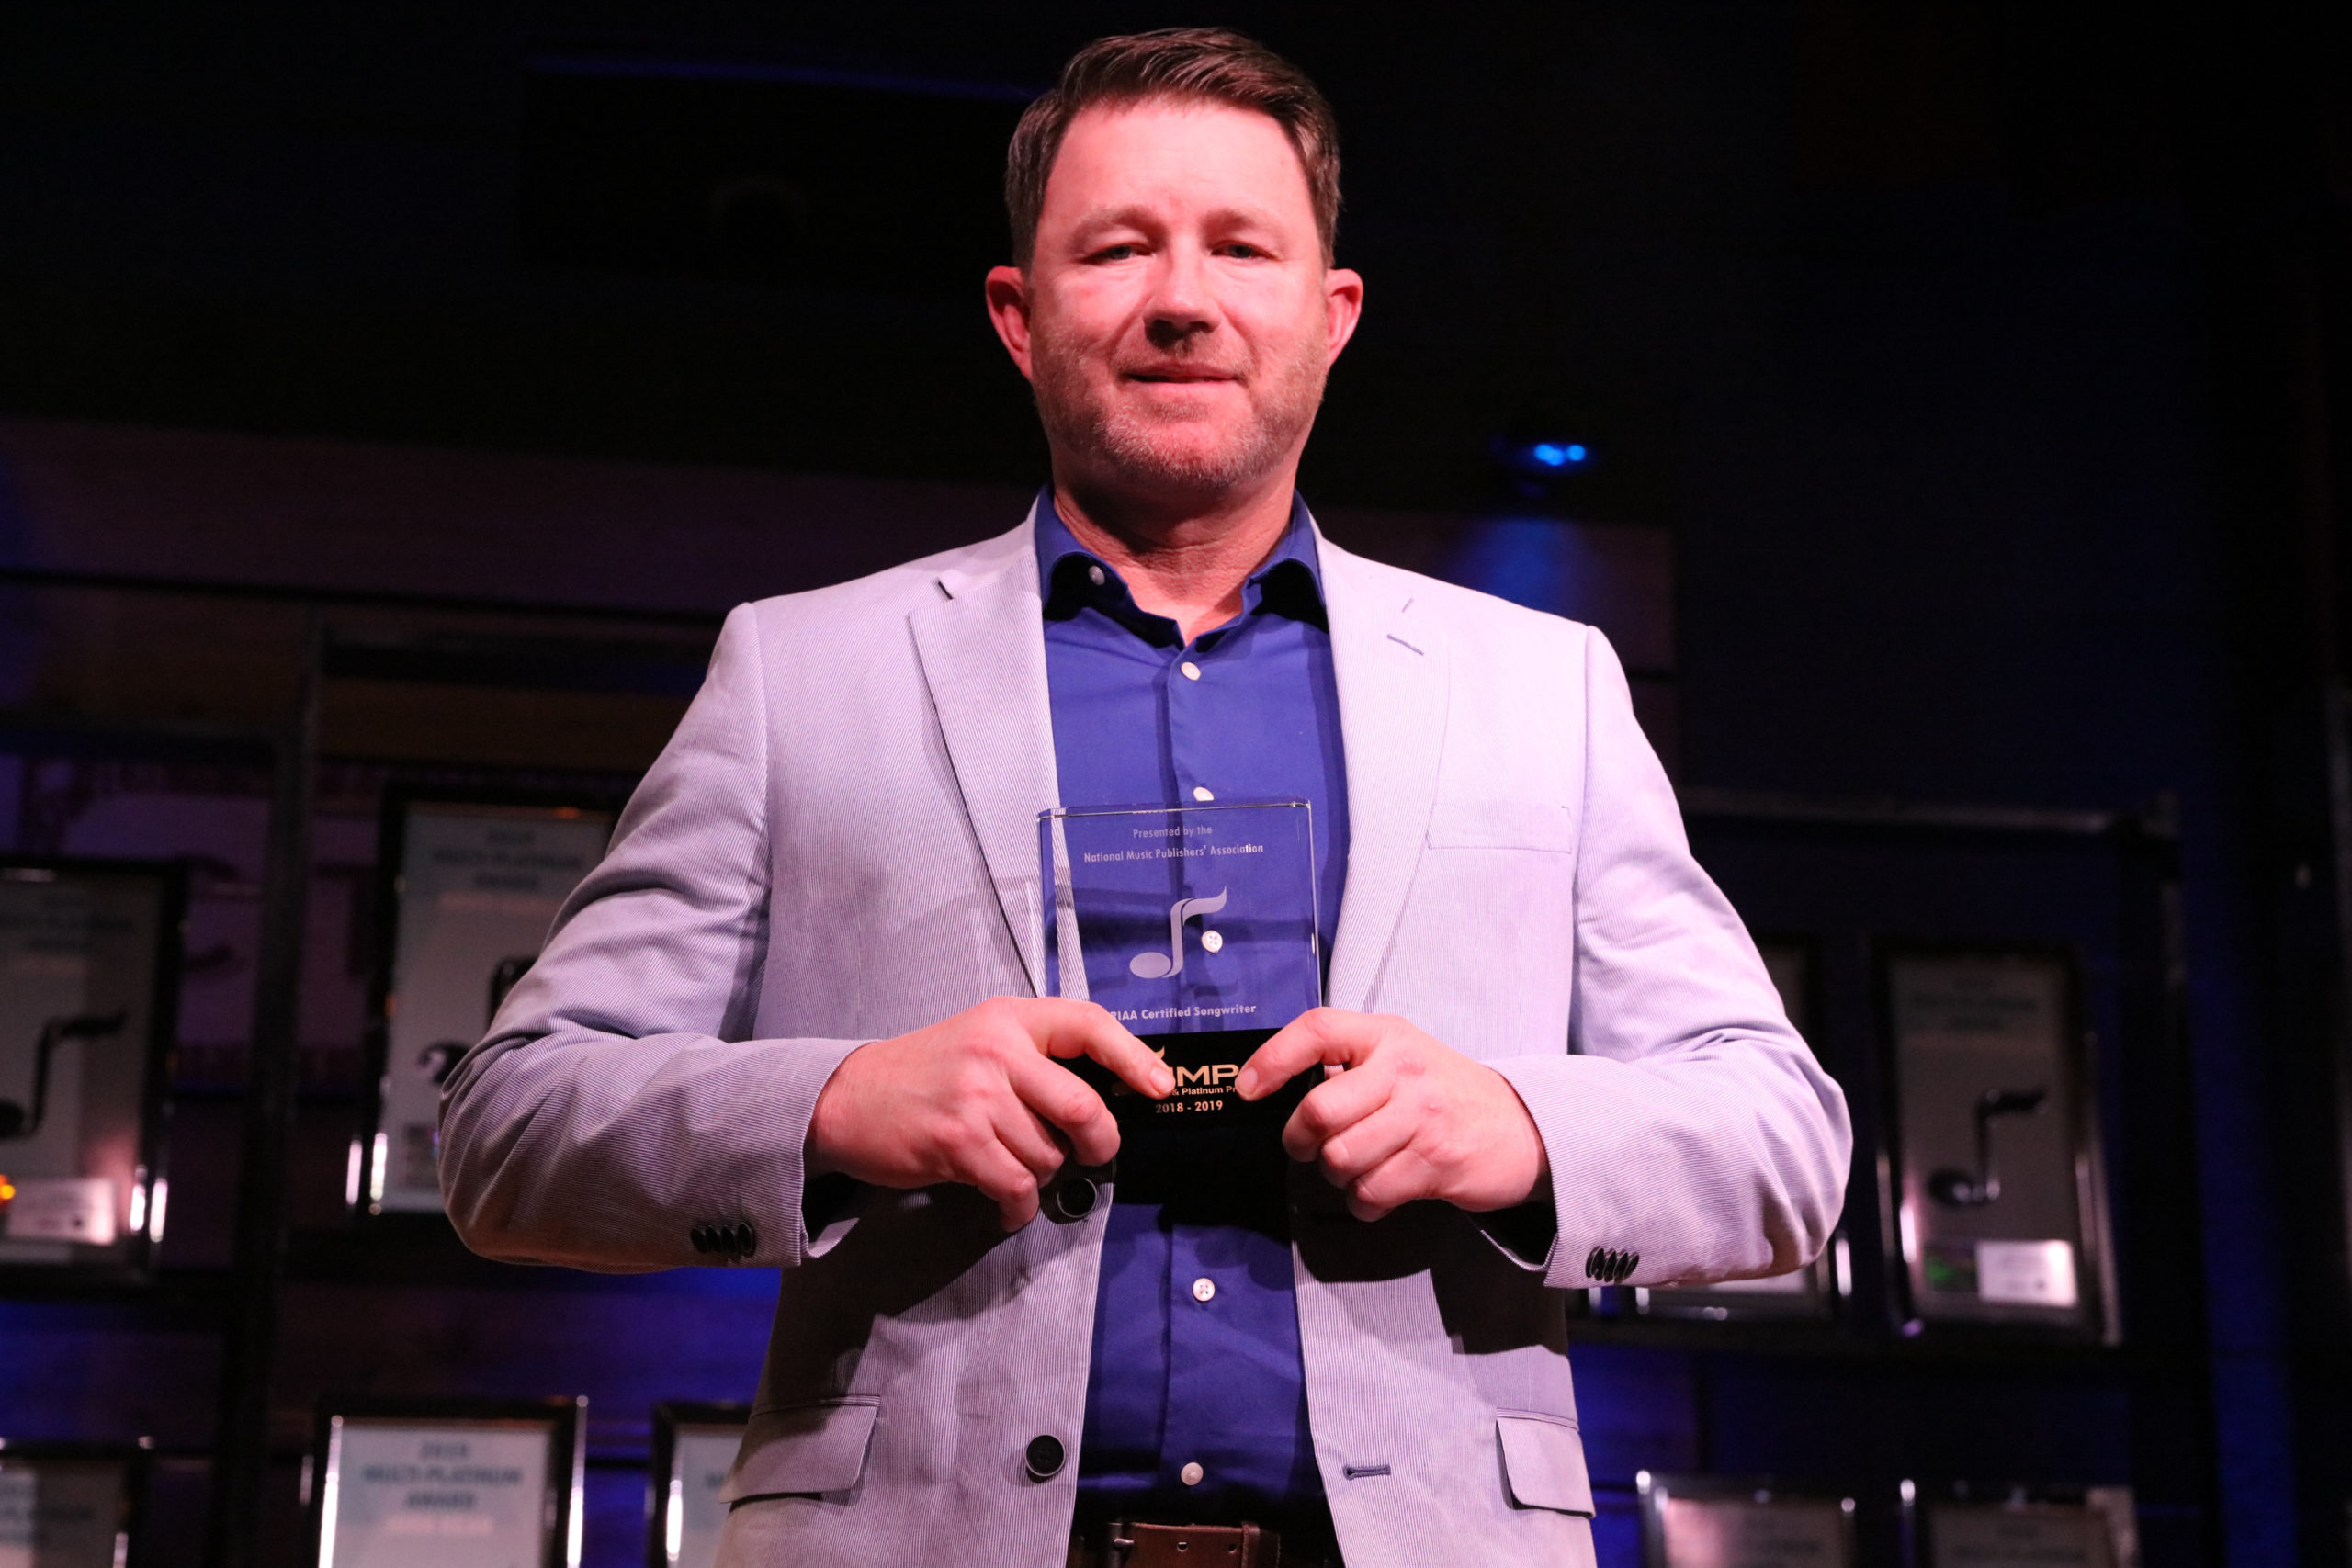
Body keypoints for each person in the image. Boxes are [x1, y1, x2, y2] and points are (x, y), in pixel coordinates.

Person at [440, 28, 1849, 1568]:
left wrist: (1514, 1124)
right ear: (1018, 316)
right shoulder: (802, 672)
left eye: (1241, 247)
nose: (1182, 299)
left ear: (1332, 315)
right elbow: (512, 1127)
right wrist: (840, 1105)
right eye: (1117, 249)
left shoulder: (1541, 685)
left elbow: (1779, 1140)